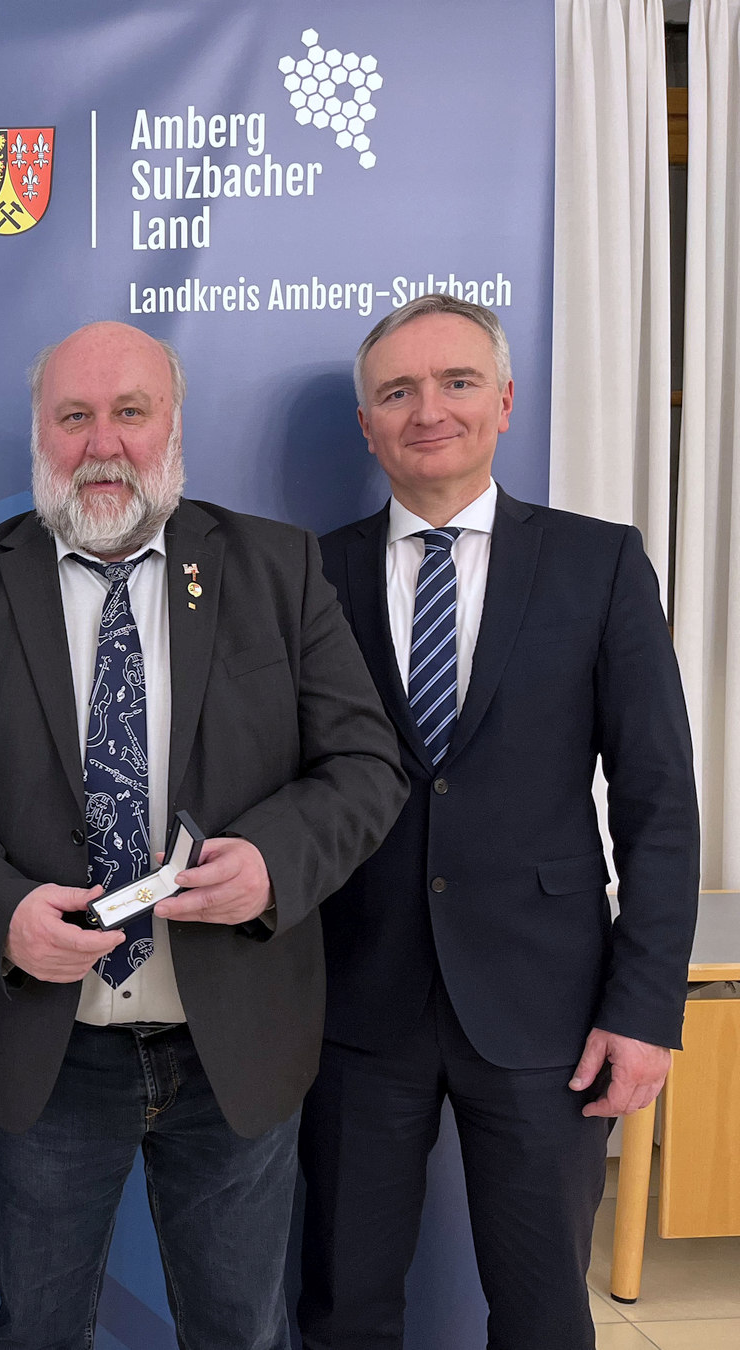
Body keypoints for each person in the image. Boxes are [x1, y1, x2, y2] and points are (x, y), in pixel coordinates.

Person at [0, 320, 406, 1350]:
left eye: (130, 412)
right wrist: (2, 914)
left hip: (236, 1041)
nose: (102, 443)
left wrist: (273, 868)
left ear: (172, 425)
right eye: (75, 416)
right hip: (46, 1043)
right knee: (37, 1332)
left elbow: (364, 766)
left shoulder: (275, 568)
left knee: (241, 1332)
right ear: (40, 430)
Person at [298, 293, 700, 1349]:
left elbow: (660, 802)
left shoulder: (598, 564)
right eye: (398, 391)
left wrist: (647, 1007)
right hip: (353, 1002)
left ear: (507, 401)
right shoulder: (308, 576)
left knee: (542, 1314)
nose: (428, 409)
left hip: (547, 1012)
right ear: (367, 425)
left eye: (457, 381)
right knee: (342, 1309)